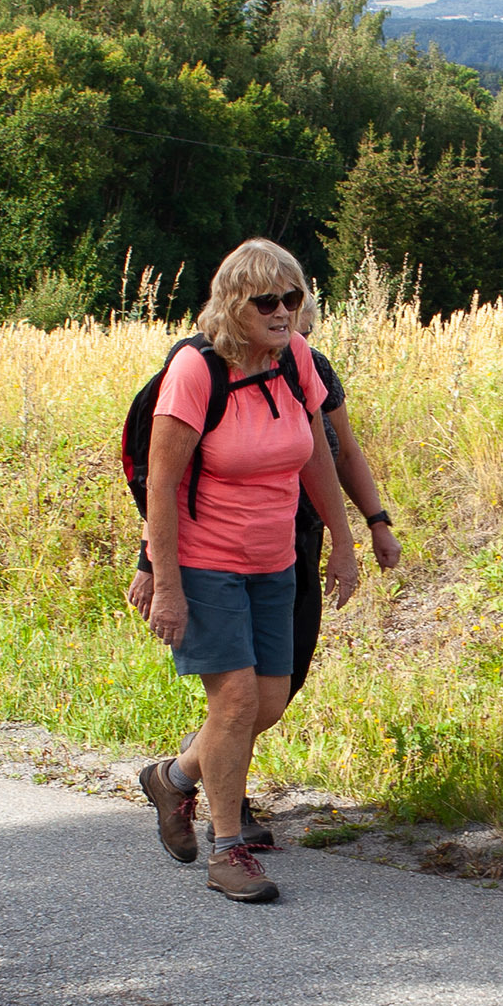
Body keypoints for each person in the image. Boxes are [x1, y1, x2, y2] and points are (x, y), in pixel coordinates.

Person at [126, 287, 402, 848]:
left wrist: (371, 523)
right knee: (237, 697)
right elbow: (166, 479)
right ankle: (232, 829)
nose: (283, 316)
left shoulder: (307, 365)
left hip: (291, 545)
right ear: (236, 309)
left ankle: (175, 776)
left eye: (292, 304)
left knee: (275, 694)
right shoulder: (196, 366)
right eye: (267, 304)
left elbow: (340, 451)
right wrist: (154, 565)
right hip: (213, 553)